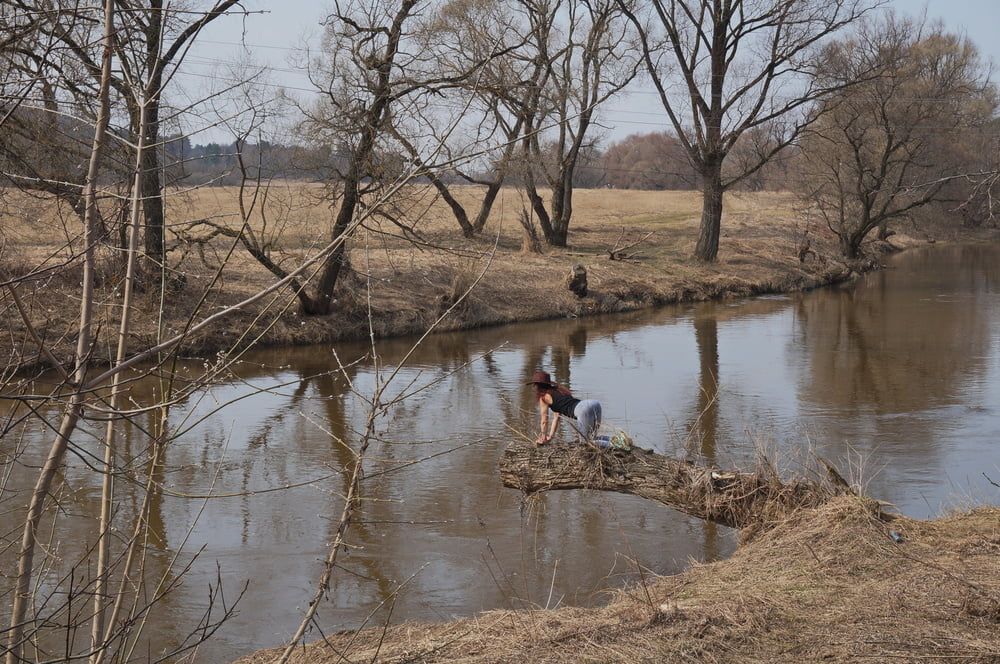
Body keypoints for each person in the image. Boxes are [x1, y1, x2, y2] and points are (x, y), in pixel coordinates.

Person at [526, 370, 602, 445]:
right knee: (592, 438)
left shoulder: (544, 398)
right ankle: (612, 441)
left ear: (537, 386)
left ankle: (612, 444)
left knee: (585, 443)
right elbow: (556, 418)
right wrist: (550, 437)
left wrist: (543, 438)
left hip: (583, 409)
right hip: (594, 404)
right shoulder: (559, 391)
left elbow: (544, 421)